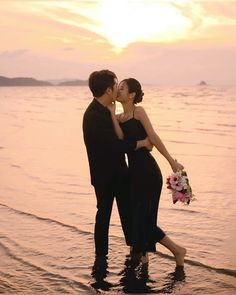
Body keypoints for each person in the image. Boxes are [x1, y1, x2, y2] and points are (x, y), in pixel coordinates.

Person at [107, 78, 187, 266]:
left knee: (144, 217)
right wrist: (111, 114)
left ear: (132, 94)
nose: (118, 90)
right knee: (138, 217)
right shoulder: (119, 118)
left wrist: (171, 161)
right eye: (117, 87)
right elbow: (120, 139)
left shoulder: (138, 112)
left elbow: (153, 137)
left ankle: (172, 251)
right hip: (133, 172)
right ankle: (151, 255)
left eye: (122, 88)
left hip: (148, 171)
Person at [82, 70, 153, 260]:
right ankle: (101, 256)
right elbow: (115, 145)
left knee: (128, 213)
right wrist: (142, 143)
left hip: (120, 173)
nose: (117, 88)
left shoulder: (106, 111)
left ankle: (136, 251)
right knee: (103, 216)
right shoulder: (93, 115)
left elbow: (120, 136)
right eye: (115, 85)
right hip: (104, 177)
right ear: (108, 90)